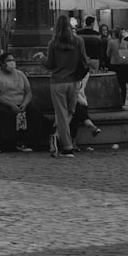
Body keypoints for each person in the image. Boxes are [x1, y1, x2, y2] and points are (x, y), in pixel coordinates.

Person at [44, 15, 90, 157]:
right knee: (70, 112)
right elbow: (84, 60)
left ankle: (66, 146)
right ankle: (61, 139)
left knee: (62, 115)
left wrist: (41, 59)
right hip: (74, 82)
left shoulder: (53, 44)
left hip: (58, 82)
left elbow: (50, 65)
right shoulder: (79, 41)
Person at [0, 52, 48, 154]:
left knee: (35, 111)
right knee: (4, 114)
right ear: (2, 63)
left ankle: (25, 142)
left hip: (20, 102)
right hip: (2, 103)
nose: (12, 63)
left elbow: (28, 92)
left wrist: (25, 103)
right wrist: (10, 105)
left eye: (13, 60)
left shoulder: (20, 74)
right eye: (9, 61)